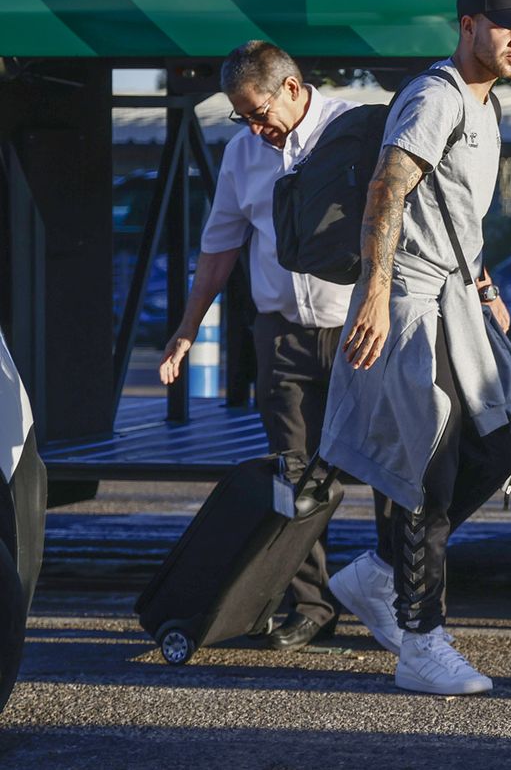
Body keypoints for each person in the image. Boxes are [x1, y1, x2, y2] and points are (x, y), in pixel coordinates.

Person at [318, 0, 511, 695]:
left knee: (506, 432)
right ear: (467, 23)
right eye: (506, 23)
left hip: (454, 293)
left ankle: (381, 572)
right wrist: (376, 296)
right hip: (412, 299)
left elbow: (452, 209)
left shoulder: (487, 102)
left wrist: (482, 283)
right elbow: (389, 187)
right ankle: (422, 641)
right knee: (430, 468)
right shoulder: (436, 94)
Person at [158, 41, 365, 651]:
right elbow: (220, 245)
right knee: (292, 477)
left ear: (294, 87)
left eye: (258, 112)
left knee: (392, 472)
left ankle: (408, 611)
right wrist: (188, 328)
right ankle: (312, 605)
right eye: (240, 116)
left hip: (360, 330)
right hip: (281, 336)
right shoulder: (243, 154)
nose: (253, 127)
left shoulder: (355, 130)